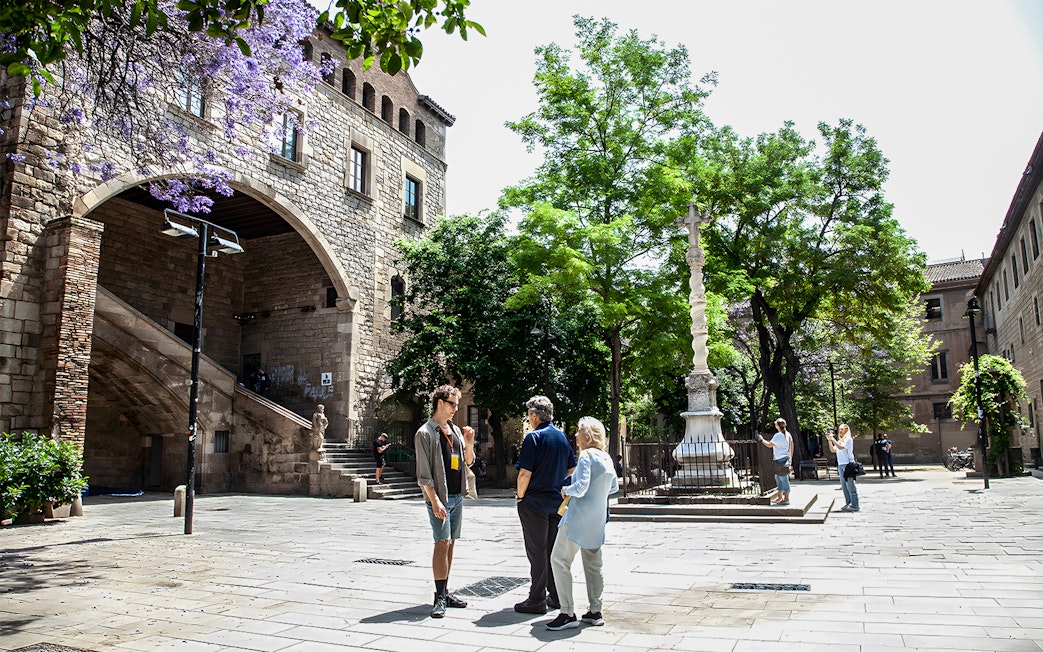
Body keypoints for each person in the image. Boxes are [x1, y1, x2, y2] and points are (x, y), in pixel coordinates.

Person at [546, 417, 619, 631]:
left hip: (577, 518)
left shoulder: (586, 455)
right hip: (597, 521)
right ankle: (595, 610)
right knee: (593, 565)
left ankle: (567, 612)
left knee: (558, 559)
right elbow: (613, 487)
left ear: (588, 435)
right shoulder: (606, 458)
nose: (575, 435)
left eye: (579, 431)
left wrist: (566, 490)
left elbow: (582, 486)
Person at [415, 384, 476, 618]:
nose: (455, 409)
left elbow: (467, 461)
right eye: (452, 404)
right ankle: (439, 596)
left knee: (451, 544)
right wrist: (435, 501)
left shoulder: (455, 431)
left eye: (457, 405)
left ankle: (446, 591)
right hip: (438, 498)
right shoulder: (425, 433)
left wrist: (469, 443)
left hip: (457, 496)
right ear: (439, 403)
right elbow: (423, 475)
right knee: (441, 543)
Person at [514, 395, 577, 615]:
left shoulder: (534, 438)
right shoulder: (562, 437)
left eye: (529, 416)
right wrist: (560, 486)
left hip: (534, 503)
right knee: (552, 551)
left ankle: (536, 599)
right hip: (556, 504)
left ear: (534, 415)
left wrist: (520, 496)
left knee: (537, 552)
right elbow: (571, 469)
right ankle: (557, 596)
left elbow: (524, 473)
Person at [757, 418, 794, 505]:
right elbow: (792, 444)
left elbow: (769, 445)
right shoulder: (788, 434)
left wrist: (761, 439)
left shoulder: (778, 435)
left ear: (778, 425)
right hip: (784, 458)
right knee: (778, 478)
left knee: (783, 479)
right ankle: (780, 497)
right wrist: (790, 457)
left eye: (775, 424)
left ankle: (786, 498)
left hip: (780, 459)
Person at [825, 423, 860, 512]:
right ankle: (848, 503)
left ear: (847, 430)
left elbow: (840, 448)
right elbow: (833, 450)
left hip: (848, 464)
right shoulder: (840, 440)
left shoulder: (848, 440)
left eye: (842, 429)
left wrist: (832, 439)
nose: (840, 431)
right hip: (841, 464)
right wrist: (829, 440)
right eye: (840, 429)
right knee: (844, 486)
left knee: (850, 485)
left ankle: (855, 504)